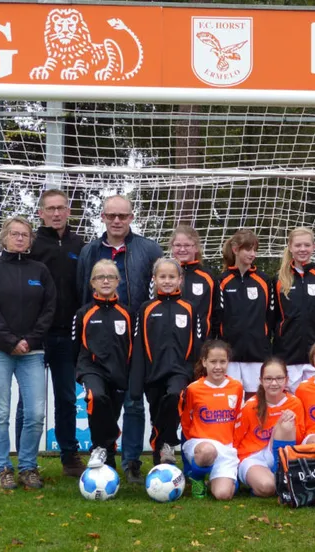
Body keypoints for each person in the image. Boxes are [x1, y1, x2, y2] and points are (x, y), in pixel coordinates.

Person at [77, 194, 162, 483]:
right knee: (103, 403)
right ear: (102, 217)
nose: (117, 221)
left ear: (131, 217)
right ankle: (106, 454)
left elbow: (158, 293)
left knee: (134, 404)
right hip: (101, 346)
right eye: (111, 215)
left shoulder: (149, 249)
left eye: (122, 216)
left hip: (136, 342)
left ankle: (132, 463)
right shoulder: (90, 251)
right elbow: (82, 293)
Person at [0, 216, 56, 490]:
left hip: (32, 352)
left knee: (35, 413)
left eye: (25, 234)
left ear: (31, 240)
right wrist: (11, 340)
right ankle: (3, 468)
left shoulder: (40, 271)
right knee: (0, 412)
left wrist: (30, 339)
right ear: (4, 238)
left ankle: (28, 467)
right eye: (14, 233)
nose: (20, 238)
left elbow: (49, 309)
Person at [19, 189, 86, 477]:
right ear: (41, 213)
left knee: (67, 398)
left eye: (61, 208)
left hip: (66, 336)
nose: (56, 213)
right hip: (35, 336)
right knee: (28, 402)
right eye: (50, 208)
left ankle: (69, 457)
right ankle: (25, 461)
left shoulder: (80, 245)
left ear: (68, 211)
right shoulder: (31, 246)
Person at [130, 258, 201, 467]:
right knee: (157, 415)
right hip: (153, 374)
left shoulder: (189, 308)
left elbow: (197, 343)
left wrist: (196, 375)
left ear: (180, 279)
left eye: (172, 277)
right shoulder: (146, 309)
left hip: (181, 372)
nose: (167, 281)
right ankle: (160, 456)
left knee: (173, 397)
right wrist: (136, 382)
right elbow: (139, 346)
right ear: (154, 279)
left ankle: (167, 443)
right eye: (163, 276)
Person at [73, 260, 132, 470]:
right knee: (95, 398)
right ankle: (99, 447)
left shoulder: (127, 313)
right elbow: (76, 346)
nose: (105, 280)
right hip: (91, 369)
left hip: (118, 372)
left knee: (110, 415)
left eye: (110, 277)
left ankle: (107, 455)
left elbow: (132, 346)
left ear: (118, 281)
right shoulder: (83, 313)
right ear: (92, 283)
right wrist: (80, 370)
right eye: (100, 277)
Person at [272, 227, 315, 392]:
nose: (302, 249)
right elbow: (272, 317)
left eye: (307, 245)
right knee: (289, 406)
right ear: (290, 247)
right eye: (298, 245)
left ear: (314, 247)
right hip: (287, 354)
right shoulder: (278, 280)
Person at [180, 340, 243, 500]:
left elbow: (238, 420)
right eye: (213, 361)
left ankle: (226, 481)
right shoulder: (193, 389)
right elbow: (186, 422)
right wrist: (194, 442)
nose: (218, 367)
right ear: (204, 362)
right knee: (208, 450)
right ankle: (197, 478)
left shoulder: (236, 387)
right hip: (200, 445)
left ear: (228, 362)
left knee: (223, 495)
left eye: (222, 361)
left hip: (226, 447)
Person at [214, 229, 273, 398]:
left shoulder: (264, 280)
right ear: (235, 249)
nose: (252, 254)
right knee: (231, 402)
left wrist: (264, 342)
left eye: (255, 250)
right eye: (248, 249)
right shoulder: (222, 281)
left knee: (254, 404)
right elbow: (218, 316)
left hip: (257, 354)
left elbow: (270, 315)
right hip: (230, 355)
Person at [234, 359, 305, 497]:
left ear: (286, 380)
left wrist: (286, 424)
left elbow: (300, 438)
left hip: (280, 454)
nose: (274, 383)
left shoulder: (294, 403)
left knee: (287, 423)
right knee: (267, 487)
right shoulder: (250, 406)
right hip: (253, 457)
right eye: (268, 379)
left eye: (279, 378)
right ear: (261, 380)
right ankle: (264, 482)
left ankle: (281, 473)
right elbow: (236, 439)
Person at [170, 225, 218, 338]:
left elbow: (217, 313)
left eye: (187, 245)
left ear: (196, 248)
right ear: (172, 247)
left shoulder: (208, 277)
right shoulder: (163, 275)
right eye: (178, 245)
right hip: (171, 343)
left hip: (201, 342)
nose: (182, 249)